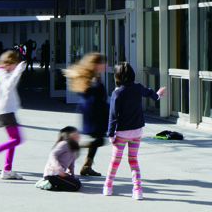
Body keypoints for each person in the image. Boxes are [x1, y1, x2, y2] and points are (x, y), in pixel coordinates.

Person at [103, 61, 166, 200]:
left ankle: (108, 186)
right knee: (133, 160)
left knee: (115, 161)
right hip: (137, 132)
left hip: (121, 133)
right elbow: (149, 93)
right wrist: (158, 95)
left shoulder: (117, 93)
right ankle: (137, 190)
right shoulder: (138, 88)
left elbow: (113, 116)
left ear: (117, 77)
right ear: (132, 74)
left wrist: (110, 134)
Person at [0, 49, 29, 180]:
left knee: (13, 140)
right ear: (10, 63)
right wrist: (18, 71)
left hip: (3, 110)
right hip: (5, 111)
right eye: (16, 63)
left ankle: (7, 169)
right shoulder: (3, 73)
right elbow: (8, 86)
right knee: (17, 139)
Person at [66, 52, 109, 177]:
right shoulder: (93, 80)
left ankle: (86, 166)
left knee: (98, 139)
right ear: (96, 64)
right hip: (94, 113)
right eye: (103, 63)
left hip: (91, 112)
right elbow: (95, 100)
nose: (105, 65)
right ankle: (75, 147)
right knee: (99, 140)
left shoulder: (90, 77)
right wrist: (110, 108)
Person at [36, 126, 84, 192]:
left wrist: (73, 175)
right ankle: (49, 185)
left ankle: (51, 183)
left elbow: (71, 164)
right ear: (69, 135)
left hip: (61, 173)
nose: (77, 136)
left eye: (77, 134)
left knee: (77, 182)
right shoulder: (64, 144)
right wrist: (57, 167)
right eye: (75, 134)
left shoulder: (74, 147)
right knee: (75, 186)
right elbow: (53, 154)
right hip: (53, 173)